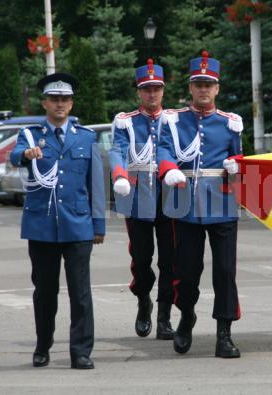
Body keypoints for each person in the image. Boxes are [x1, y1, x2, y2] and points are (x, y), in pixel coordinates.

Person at [10, 72, 106, 369]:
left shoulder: (86, 137)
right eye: (54, 99)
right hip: (42, 225)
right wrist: (26, 154)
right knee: (45, 292)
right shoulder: (30, 135)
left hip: (77, 224)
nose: (60, 104)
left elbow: (96, 184)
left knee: (80, 293)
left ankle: (81, 351)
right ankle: (43, 344)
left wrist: (98, 224)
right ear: (45, 103)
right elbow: (15, 156)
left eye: (65, 99)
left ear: (72, 103)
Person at [157, 50, 243, 358]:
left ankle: (224, 334)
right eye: (199, 84)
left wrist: (235, 164)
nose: (204, 89)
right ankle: (185, 317)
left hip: (221, 204)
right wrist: (169, 170)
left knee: (224, 271)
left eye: (209, 84)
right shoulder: (173, 120)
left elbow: (238, 156)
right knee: (187, 271)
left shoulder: (230, 123)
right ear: (191, 88)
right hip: (185, 204)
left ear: (217, 88)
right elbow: (164, 151)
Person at [109, 59, 175, 340]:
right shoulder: (126, 122)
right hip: (137, 199)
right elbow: (117, 150)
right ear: (139, 92)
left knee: (170, 260)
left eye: (156, 89)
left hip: (171, 197)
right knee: (141, 258)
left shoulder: (174, 119)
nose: (152, 94)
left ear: (163, 90)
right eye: (146, 89)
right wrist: (120, 176)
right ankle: (143, 300)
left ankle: (164, 317)